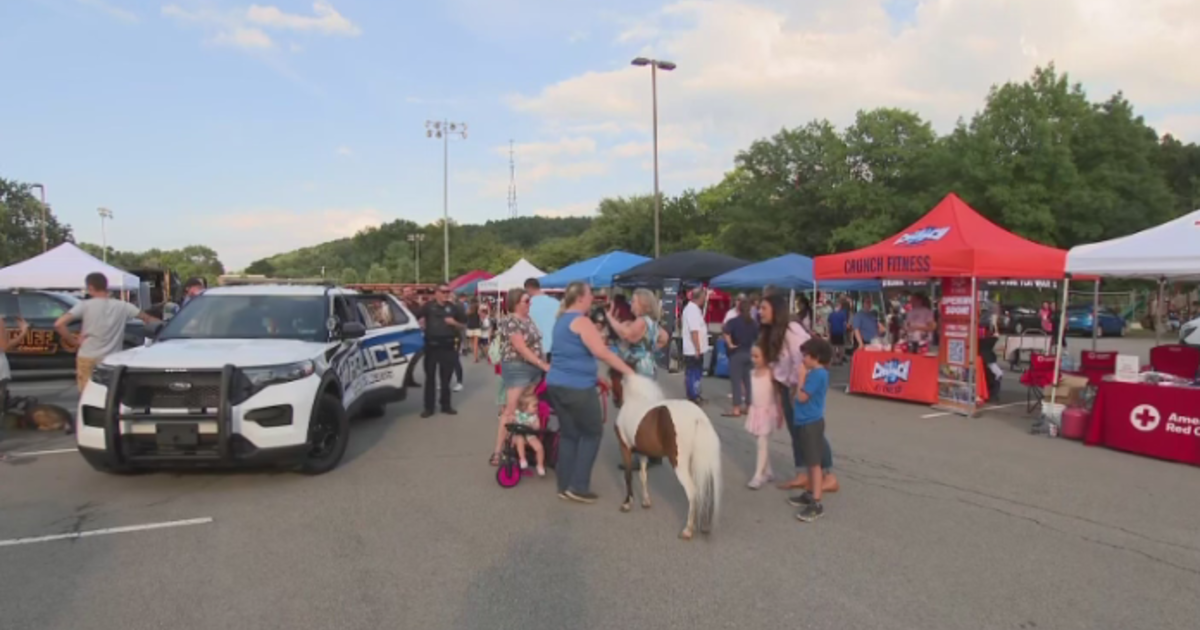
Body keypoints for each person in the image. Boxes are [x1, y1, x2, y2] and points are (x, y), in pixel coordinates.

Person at [546, 281, 634, 504]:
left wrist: (594, 378)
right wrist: (628, 372)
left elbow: (567, 355)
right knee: (592, 432)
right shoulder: (582, 321)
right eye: (589, 295)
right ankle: (579, 486)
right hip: (576, 388)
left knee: (569, 435)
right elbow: (601, 352)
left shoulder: (561, 321)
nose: (592, 298)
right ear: (580, 299)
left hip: (558, 384)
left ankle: (564, 485)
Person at [758, 293, 838, 493]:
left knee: (810, 431)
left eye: (764, 308)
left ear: (776, 311)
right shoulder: (771, 332)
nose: (760, 312)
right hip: (785, 385)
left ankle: (829, 475)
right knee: (796, 432)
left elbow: (802, 359)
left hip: (798, 386)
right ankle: (802, 473)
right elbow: (776, 362)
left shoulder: (792, 330)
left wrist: (797, 388)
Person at [54, 273, 159, 394]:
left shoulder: (85, 305)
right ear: (106, 286)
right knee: (110, 393)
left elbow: (59, 324)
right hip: (112, 358)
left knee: (87, 394)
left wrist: (75, 342)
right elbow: (147, 318)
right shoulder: (122, 306)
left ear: (91, 287)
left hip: (87, 356)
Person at [606, 288, 668, 470]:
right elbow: (664, 337)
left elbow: (627, 335)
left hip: (638, 367)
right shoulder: (652, 322)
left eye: (633, 301)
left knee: (636, 409)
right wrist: (651, 349)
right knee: (648, 406)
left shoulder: (641, 321)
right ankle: (654, 451)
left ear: (644, 304)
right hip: (648, 364)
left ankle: (641, 450)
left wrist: (610, 318)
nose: (631, 304)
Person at [491, 288, 551, 474]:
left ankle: (524, 446)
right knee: (510, 411)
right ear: (516, 302)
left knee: (527, 409)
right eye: (526, 300)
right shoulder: (510, 321)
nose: (530, 303)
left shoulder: (528, 319)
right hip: (518, 369)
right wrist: (543, 364)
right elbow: (521, 347)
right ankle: (498, 451)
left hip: (532, 370)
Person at [788, 338, 833, 522]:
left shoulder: (817, 375)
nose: (803, 359)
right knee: (809, 459)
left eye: (806, 355)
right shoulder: (814, 373)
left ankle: (816, 501)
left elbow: (802, 397)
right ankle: (809, 493)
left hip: (811, 423)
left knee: (814, 463)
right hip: (804, 421)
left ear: (816, 357)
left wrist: (800, 378)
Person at [415, 284, 465, 418]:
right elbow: (414, 317)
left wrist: (454, 323)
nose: (446, 294)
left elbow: (464, 325)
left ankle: (446, 405)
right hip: (432, 346)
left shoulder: (453, 307)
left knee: (446, 378)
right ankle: (429, 408)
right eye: (443, 292)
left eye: (447, 291)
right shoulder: (428, 306)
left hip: (448, 346)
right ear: (436, 293)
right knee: (430, 378)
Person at [744, 344, 782, 489]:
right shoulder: (752, 373)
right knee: (760, 441)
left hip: (768, 411)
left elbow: (777, 393)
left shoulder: (770, 373)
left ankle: (758, 475)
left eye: (757, 356)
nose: (753, 359)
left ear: (766, 357)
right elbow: (750, 391)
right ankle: (768, 470)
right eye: (752, 356)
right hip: (756, 410)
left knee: (762, 442)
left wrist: (780, 411)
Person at [721, 298, 758, 418]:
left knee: (736, 382)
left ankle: (736, 408)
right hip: (749, 353)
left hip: (737, 353)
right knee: (748, 382)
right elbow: (758, 338)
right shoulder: (754, 323)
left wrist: (730, 344)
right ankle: (749, 406)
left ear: (738, 309)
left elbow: (725, 332)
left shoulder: (734, 321)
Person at [681, 287, 709, 405]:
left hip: (695, 349)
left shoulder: (694, 309)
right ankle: (693, 396)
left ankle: (696, 393)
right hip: (693, 350)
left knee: (696, 373)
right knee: (693, 372)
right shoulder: (692, 310)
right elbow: (694, 331)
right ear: (700, 297)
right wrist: (697, 348)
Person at [525, 278, 560, 360]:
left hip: (536, 348)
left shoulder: (527, 306)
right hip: (555, 347)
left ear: (528, 289)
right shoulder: (556, 303)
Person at [828, 298, 850, 365]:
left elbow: (829, 324)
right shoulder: (843, 314)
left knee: (833, 346)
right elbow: (845, 323)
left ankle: (834, 360)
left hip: (833, 331)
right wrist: (846, 330)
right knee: (841, 346)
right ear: (840, 307)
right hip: (841, 332)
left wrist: (829, 332)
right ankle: (840, 360)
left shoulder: (831, 314)